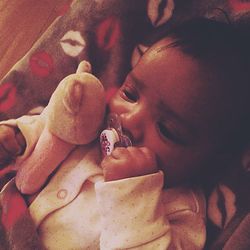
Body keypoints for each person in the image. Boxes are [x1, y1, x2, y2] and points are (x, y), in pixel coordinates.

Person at [0, 18, 250, 249]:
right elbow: (53, 127)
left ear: (209, 162)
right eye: (130, 94)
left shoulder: (181, 212)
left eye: (167, 129)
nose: (129, 119)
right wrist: (18, 137)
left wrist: (131, 191)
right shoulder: (92, 127)